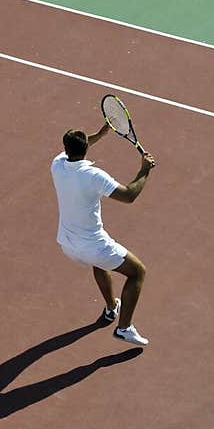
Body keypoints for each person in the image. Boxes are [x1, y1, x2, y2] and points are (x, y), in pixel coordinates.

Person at [50, 120, 155, 347]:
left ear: (66, 148)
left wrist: (99, 134)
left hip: (67, 245)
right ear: (86, 148)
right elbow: (128, 195)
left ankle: (111, 308)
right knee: (138, 272)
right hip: (93, 245)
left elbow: (78, 146)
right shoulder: (94, 176)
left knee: (99, 263)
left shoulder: (57, 164)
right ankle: (124, 328)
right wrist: (144, 170)